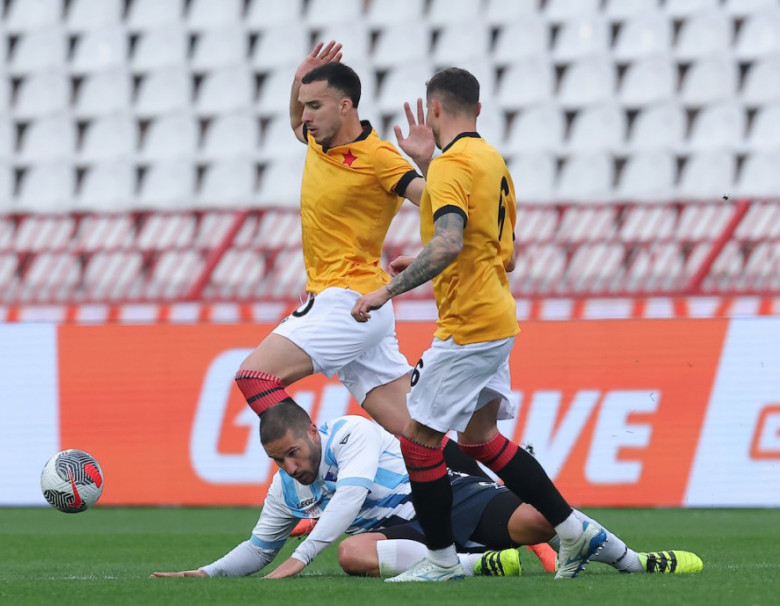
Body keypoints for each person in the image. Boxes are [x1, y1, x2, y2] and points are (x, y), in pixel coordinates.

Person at [350, 67, 608, 582]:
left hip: (467, 326)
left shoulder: (451, 166)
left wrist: (385, 291)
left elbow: (448, 243)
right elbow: (496, 251)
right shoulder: (490, 159)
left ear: (435, 110)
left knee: (418, 443)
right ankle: (571, 530)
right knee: (479, 439)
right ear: (479, 110)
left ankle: (443, 562)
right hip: (497, 316)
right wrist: (428, 166)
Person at [231, 42, 479, 476]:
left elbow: (439, 202)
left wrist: (428, 162)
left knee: (255, 377)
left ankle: (314, 472)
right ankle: (508, 505)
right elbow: (295, 121)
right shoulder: (317, 140)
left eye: (315, 106)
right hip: (359, 308)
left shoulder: (379, 158)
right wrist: (298, 80)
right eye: (304, 105)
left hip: (349, 300)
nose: (305, 116)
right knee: (416, 434)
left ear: (345, 106)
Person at [150, 403, 703, 579]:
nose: (290, 467)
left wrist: (301, 558)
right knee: (352, 554)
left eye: (293, 452)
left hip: (444, 497)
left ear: (313, 432)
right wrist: (207, 573)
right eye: (278, 460)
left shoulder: (350, 432)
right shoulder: (284, 490)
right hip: (399, 533)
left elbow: (351, 495)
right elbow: (257, 548)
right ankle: (475, 564)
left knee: (540, 521)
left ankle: (634, 561)